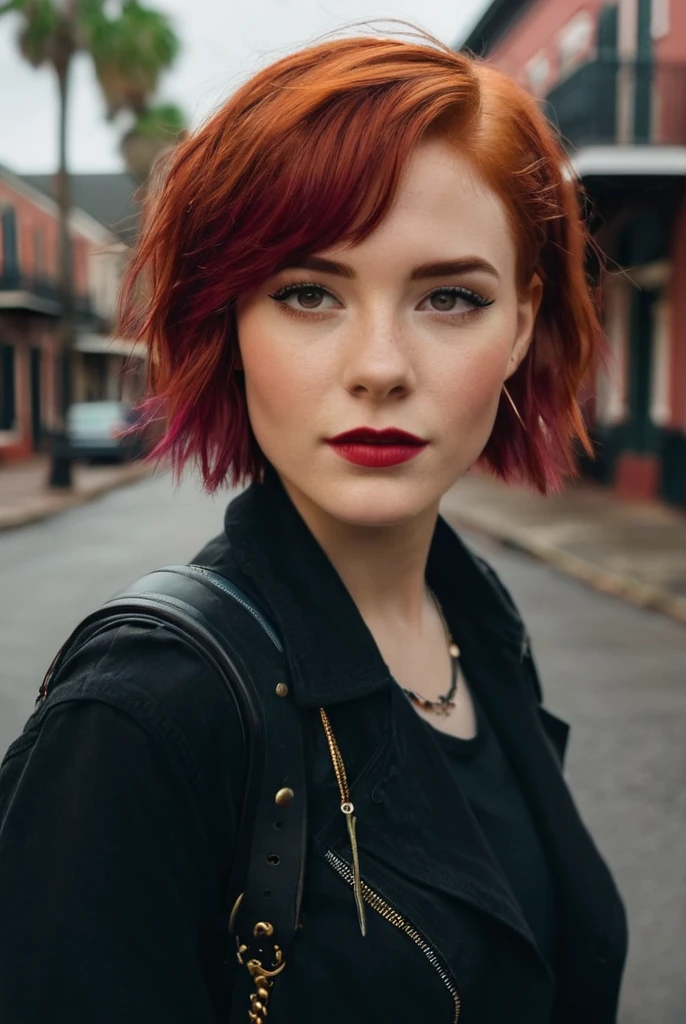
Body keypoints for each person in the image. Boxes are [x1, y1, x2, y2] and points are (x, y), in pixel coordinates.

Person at [0, 30, 628, 1024]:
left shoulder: (477, 624)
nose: (379, 364)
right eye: (308, 293)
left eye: (450, 296)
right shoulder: (140, 721)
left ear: (520, 322)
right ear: (232, 322)